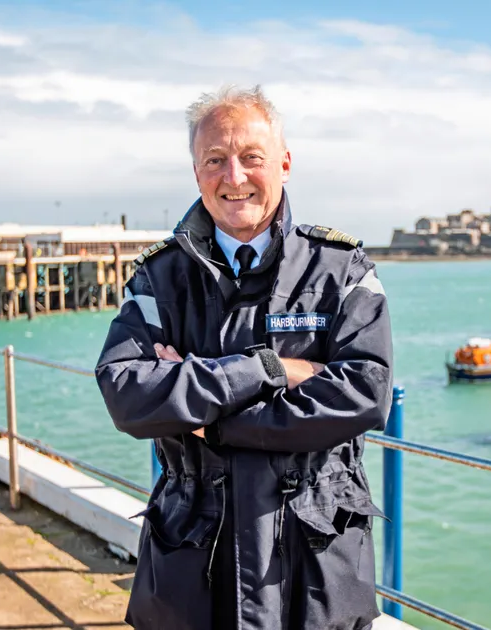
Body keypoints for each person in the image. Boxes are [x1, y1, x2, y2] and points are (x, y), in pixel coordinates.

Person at [94, 85, 394, 630]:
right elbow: (127, 393)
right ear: (196, 172)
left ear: (283, 162)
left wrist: (212, 420)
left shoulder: (340, 268)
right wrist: (267, 370)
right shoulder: (159, 277)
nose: (234, 177)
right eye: (215, 160)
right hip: (193, 559)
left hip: (314, 560)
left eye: (252, 157)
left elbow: (365, 394)